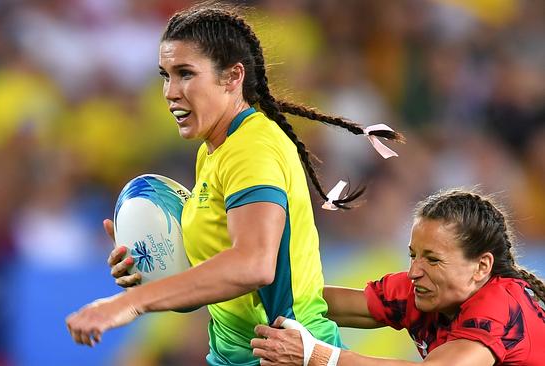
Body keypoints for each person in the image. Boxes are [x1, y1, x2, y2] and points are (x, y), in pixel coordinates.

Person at [65, 3, 403, 365]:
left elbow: (254, 264)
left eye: (185, 74)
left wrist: (130, 303)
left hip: (282, 355)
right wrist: (152, 272)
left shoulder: (251, 148)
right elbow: (228, 290)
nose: (170, 91)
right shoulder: (214, 150)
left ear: (232, 77)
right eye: (165, 75)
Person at [251, 189, 545, 365]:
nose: (415, 271)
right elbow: (316, 303)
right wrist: (250, 284)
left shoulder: (503, 306)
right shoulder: (424, 288)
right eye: (413, 255)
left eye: (432, 259)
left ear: (481, 267)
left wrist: (315, 356)